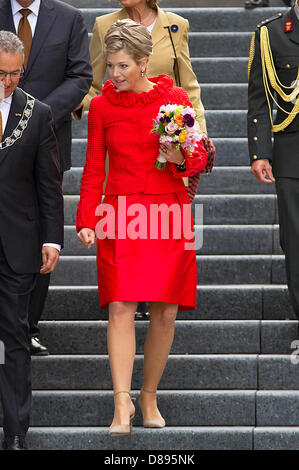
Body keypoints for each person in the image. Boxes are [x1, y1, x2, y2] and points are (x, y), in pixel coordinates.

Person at [76, 19, 207, 436]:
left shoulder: (174, 98)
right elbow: (94, 167)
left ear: (143, 62)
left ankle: (148, 395)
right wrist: (86, 217)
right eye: (110, 65)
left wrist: (178, 157)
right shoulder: (100, 107)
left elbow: (197, 156)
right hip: (119, 215)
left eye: (122, 66)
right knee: (120, 306)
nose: (113, 74)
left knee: (166, 310)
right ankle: (121, 404)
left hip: (168, 212)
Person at [0, 0, 92, 356]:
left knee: (37, 227)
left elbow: (81, 76)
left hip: (47, 138)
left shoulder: (69, 18)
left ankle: (29, 326)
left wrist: (36, 117)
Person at [0, 30, 64, 450]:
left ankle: (16, 431)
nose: (7, 82)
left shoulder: (36, 114)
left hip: (16, 243)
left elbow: (49, 185)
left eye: (14, 73)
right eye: (0, 73)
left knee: (13, 338)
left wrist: (52, 240)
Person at [248, 2, 299, 319]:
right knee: (295, 242)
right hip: (292, 152)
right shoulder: (272, 33)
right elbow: (259, 98)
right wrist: (260, 152)